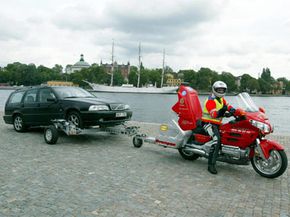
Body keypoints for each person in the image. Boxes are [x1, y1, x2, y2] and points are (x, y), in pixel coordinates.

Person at [201, 81, 237, 174]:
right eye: (219, 90)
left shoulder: (221, 99)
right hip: (207, 123)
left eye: (222, 90)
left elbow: (228, 106)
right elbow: (214, 114)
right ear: (214, 89)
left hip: (217, 124)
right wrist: (223, 111)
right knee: (216, 140)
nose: (221, 91)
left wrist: (234, 111)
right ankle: (211, 165)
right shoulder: (210, 100)